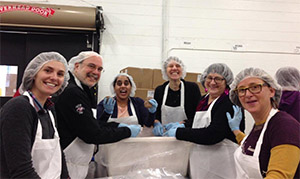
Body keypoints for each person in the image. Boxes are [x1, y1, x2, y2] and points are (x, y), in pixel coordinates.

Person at [54, 51, 141, 179]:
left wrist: (116, 125)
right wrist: (126, 131)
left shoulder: (83, 91)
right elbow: (92, 134)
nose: (96, 72)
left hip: (78, 160)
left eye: (100, 69)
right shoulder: (73, 93)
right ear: (77, 66)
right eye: (91, 66)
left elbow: (89, 123)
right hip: (69, 163)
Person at [163, 63, 245, 179]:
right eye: (209, 78)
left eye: (217, 79)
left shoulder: (228, 102)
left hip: (222, 165)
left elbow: (213, 134)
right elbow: (199, 121)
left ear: (226, 81)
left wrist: (179, 133)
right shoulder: (204, 99)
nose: (212, 82)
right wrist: (183, 124)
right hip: (201, 162)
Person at [0, 52, 70, 178]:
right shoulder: (19, 108)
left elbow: (58, 153)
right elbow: (21, 170)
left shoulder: (49, 109)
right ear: (33, 74)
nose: (54, 77)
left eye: (60, 74)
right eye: (48, 70)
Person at [227, 67, 300, 178]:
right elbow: (254, 147)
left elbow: (279, 176)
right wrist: (236, 130)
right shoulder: (260, 124)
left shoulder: (285, 127)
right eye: (242, 90)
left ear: (271, 91)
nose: (248, 94)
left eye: (255, 87)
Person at [153, 56, 201, 136]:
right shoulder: (159, 90)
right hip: (164, 136)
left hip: (186, 136)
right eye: (170, 66)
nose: (174, 68)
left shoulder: (192, 88)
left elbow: (198, 116)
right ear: (165, 70)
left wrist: (182, 124)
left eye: (178, 66)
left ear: (182, 70)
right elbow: (156, 115)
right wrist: (156, 123)